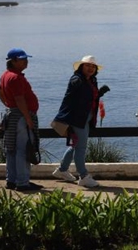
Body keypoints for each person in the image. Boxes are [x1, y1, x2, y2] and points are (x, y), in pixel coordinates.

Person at [51, 55, 110, 188]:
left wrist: (99, 94)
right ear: (81, 67)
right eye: (87, 65)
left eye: (93, 66)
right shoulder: (77, 79)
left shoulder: (91, 80)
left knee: (75, 146)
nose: (90, 68)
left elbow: (88, 98)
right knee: (81, 148)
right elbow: (74, 98)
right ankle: (83, 176)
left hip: (86, 118)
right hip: (77, 119)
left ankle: (62, 170)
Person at [0, 48, 43, 191]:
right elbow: (20, 99)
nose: (26, 61)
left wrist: (7, 105)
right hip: (21, 117)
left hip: (12, 116)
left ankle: (11, 180)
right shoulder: (16, 77)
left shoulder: (5, 75)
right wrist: (28, 118)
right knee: (23, 149)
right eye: (23, 59)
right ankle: (22, 182)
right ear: (14, 61)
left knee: (11, 148)